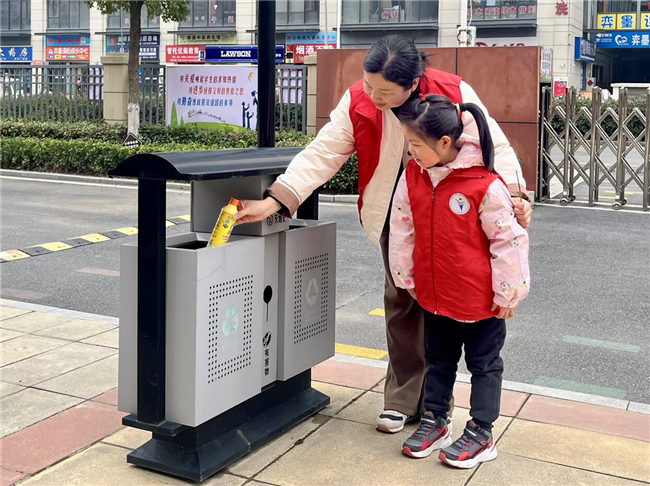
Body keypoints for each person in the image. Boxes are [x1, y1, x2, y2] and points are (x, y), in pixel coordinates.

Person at [234, 35, 532, 434]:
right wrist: (276, 200)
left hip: (457, 216)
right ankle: (405, 398)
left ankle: (441, 407)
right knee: (402, 301)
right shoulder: (359, 98)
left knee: (454, 314)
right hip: (399, 215)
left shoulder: (453, 91)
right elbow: (324, 152)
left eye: (385, 91)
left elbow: (495, 144)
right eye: (369, 84)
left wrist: (514, 195)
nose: (373, 96)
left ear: (414, 84)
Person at [390, 94, 529, 468]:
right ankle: (436, 420)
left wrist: (509, 294)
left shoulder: (484, 184)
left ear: (445, 143)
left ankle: (482, 431)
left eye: (416, 145)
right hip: (436, 296)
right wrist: (406, 277)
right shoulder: (414, 176)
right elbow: (402, 226)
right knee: (438, 360)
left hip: (482, 301)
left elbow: (508, 241)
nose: (411, 152)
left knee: (484, 365)